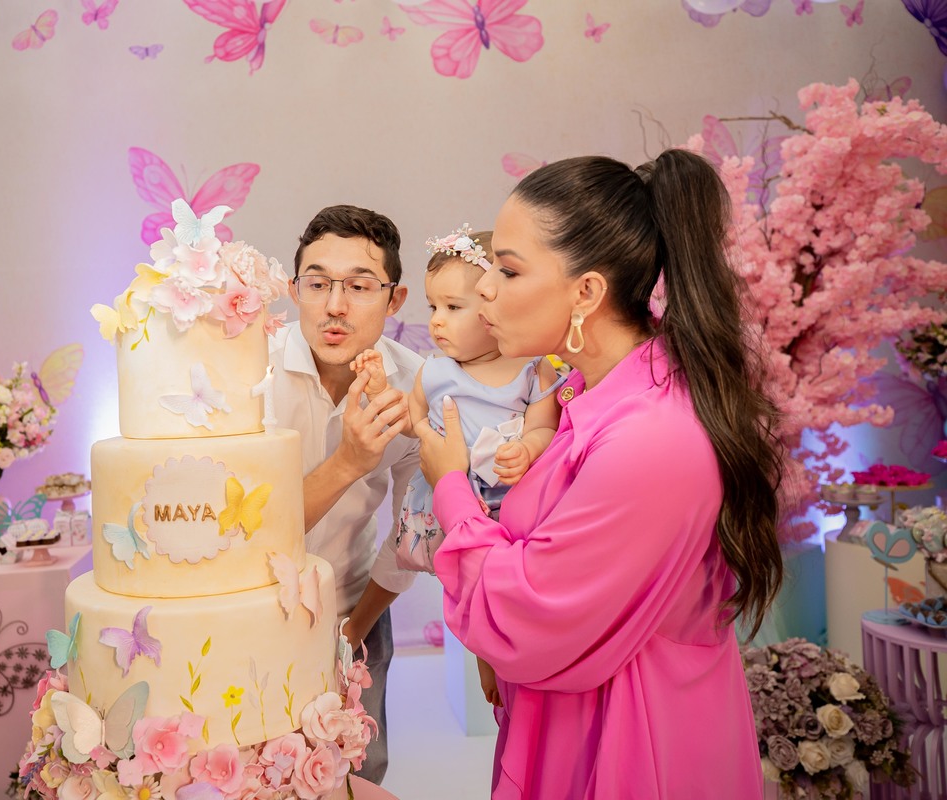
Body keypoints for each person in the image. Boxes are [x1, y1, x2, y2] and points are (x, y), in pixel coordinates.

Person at [415, 151, 785, 799]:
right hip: (583, 720)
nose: (485, 291)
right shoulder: (594, 391)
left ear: (586, 292)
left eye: (507, 270)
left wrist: (451, 487)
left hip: (632, 744)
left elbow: (527, 611)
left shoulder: (650, 437)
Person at [347, 225, 564, 708]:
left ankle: (500, 649)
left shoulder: (532, 368)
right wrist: (381, 389)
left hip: (508, 503)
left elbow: (545, 427)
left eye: (453, 307)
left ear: (494, 306)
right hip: (448, 501)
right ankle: (481, 653)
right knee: (461, 582)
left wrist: (527, 449)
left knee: (501, 585)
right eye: (433, 308)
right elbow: (411, 423)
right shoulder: (435, 370)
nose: (438, 322)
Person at [268, 204, 423, 784]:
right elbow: (243, 531)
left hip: (355, 609)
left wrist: (355, 630)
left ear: (394, 299)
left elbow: (413, 536)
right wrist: (349, 463)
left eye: (359, 286)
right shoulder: (251, 375)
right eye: (317, 284)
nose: (335, 305)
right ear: (294, 291)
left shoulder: (415, 389)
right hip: (250, 610)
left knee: (357, 773)